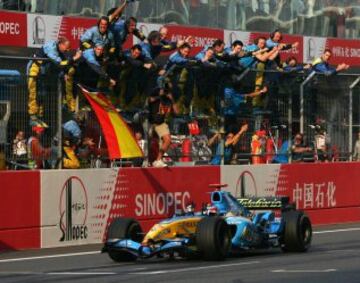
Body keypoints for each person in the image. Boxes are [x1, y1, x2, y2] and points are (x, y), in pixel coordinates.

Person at [27, 37, 82, 122]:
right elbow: (60, 63)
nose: (67, 50)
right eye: (66, 48)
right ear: (61, 44)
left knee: (43, 93)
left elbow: (64, 64)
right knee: (33, 92)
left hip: (44, 72)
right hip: (35, 68)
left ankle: (41, 116)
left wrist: (65, 72)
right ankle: (33, 114)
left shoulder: (60, 50)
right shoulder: (51, 47)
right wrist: (75, 58)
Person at [148, 82, 179, 168]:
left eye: (169, 91)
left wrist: (172, 100)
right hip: (151, 123)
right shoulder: (157, 97)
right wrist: (160, 95)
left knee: (167, 140)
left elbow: (177, 112)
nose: (167, 92)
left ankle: (158, 159)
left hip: (161, 123)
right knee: (151, 145)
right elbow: (150, 100)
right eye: (167, 91)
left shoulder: (169, 101)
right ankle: (150, 161)